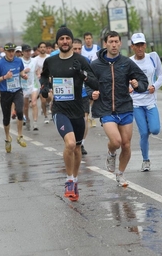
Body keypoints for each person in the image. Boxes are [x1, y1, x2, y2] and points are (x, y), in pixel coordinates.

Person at [40, 27, 98, 201]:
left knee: (78, 147)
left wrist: (84, 75)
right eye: (61, 39)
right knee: (70, 143)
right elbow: (43, 77)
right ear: (57, 42)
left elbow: (95, 82)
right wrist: (45, 87)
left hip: (78, 110)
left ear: (72, 41)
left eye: (67, 38)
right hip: (60, 110)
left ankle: (75, 178)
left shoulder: (81, 60)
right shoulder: (50, 61)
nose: (65, 41)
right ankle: (69, 180)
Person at [89, 31, 148, 187]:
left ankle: (120, 174)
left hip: (125, 107)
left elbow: (142, 80)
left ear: (120, 44)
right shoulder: (96, 65)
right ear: (105, 44)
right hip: (106, 108)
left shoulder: (126, 63)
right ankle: (111, 153)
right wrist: (91, 93)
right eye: (111, 41)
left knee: (126, 145)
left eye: (116, 41)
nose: (114, 44)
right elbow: (86, 83)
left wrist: (138, 85)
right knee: (116, 141)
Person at [129, 33, 162, 172]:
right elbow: (124, 79)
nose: (139, 48)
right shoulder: (129, 62)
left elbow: (161, 76)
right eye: (136, 45)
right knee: (143, 133)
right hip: (136, 103)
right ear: (132, 46)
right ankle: (145, 160)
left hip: (150, 101)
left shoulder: (153, 57)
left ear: (145, 45)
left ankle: (149, 125)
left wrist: (154, 86)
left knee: (155, 130)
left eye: (142, 44)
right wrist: (128, 87)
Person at [0, 42, 28, 153]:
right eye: (9, 51)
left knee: (20, 111)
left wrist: (23, 75)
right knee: (6, 118)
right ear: (5, 52)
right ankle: (7, 138)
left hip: (17, 90)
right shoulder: (0, 64)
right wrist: (4, 77)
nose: (11, 53)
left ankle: (20, 136)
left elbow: (20, 70)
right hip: (5, 93)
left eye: (13, 51)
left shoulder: (18, 60)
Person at [73, 38, 90, 155]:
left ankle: (82, 143)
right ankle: (73, 141)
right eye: (75, 49)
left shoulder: (85, 61)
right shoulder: (65, 61)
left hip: (83, 94)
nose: (78, 51)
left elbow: (91, 77)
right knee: (73, 120)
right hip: (70, 96)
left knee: (85, 119)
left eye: (79, 49)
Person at [21, 44, 40, 131]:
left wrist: (39, 73)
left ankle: (35, 123)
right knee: (25, 106)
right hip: (24, 86)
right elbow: (16, 73)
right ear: (22, 52)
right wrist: (24, 71)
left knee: (34, 103)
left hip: (34, 85)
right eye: (26, 51)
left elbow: (38, 69)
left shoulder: (34, 60)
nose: (28, 53)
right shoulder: (19, 61)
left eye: (29, 51)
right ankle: (27, 119)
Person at [34, 42, 52, 123]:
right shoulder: (35, 60)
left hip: (49, 80)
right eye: (41, 47)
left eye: (44, 47)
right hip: (40, 81)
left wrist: (51, 76)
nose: (43, 48)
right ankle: (45, 116)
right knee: (43, 100)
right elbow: (33, 70)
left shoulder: (50, 57)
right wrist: (37, 74)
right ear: (38, 49)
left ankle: (48, 106)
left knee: (50, 98)